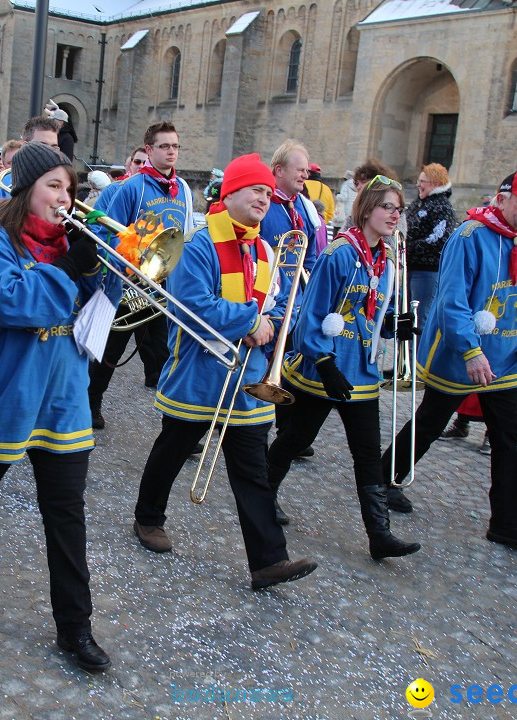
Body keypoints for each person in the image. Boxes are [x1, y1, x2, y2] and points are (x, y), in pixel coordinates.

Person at [0, 142, 120, 673]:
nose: (66, 198)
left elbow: (98, 305)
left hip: (62, 391)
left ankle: (75, 629)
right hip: (8, 385)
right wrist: (67, 268)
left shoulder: (72, 239)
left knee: (66, 514)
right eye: (54, 186)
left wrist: (111, 270)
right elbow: (9, 301)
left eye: (70, 189)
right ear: (27, 188)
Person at [131, 153, 318, 589]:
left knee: (252, 471)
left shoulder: (266, 248)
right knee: (172, 450)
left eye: (269, 194)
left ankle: (268, 561)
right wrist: (251, 321)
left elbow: (269, 304)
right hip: (199, 373)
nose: (264, 199)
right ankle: (148, 517)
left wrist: (268, 322)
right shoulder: (198, 243)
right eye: (256, 190)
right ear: (230, 192)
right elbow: (193, 304)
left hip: (247, 378)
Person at [382, 168, 517, 549]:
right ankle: (385, 478)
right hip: (462, 355)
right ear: (502, 197)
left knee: (509, 440)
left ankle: (508, 522)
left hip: (506, 357)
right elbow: (451, 301)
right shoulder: (469, 236)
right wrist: (471, 352)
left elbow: (516, 288)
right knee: (431, 421)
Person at [268, 175, 421, 560]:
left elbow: (374, 315)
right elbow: (310, 316)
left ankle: (379, 535)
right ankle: (261, 493)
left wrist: (393, 325)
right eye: (387, 206)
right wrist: (323, 360)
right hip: (324, 369)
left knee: (368, 453)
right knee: (296, 440)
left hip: (362, 372)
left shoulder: (386, 261)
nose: (394, 215)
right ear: (367, 208)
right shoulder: (339, 253)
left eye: (398, 209)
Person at [87, 122, 195, 428]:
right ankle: (91, 403)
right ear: (149, 150)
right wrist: (124, 269)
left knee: (164, 356)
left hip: (162, 284)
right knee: (110, 351)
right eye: (164, 146)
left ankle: (177, 425)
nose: (171, 151)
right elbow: (109, 233)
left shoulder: (184, 188)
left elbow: (184, 234)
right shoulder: (131, 187)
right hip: (129, 282)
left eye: (175, 146)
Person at [259, 140, 321, 466]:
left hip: (298, 296)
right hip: (273, 296)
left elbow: (309, 252)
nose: (305, 174)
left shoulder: (303, 207)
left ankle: (286, 430)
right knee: (265, 362)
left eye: (306, 169)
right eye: (300, 169)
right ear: (279, 170)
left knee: (289, 364)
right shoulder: (267, 207)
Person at [0, 117, 61, 220]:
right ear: (26, 147)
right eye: (42, 146)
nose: (49, 152)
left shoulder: (61, 185)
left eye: (54, 147)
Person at [404, 163, 459, 321]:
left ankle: (420, 346)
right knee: (406, 318)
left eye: (422, 181)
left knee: (420, 318)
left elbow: (438, 239)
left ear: (435, 183)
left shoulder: (442, 207)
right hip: (410, 267)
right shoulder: (419, 202)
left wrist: (408, 247)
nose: (418, 185)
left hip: (427, 271)